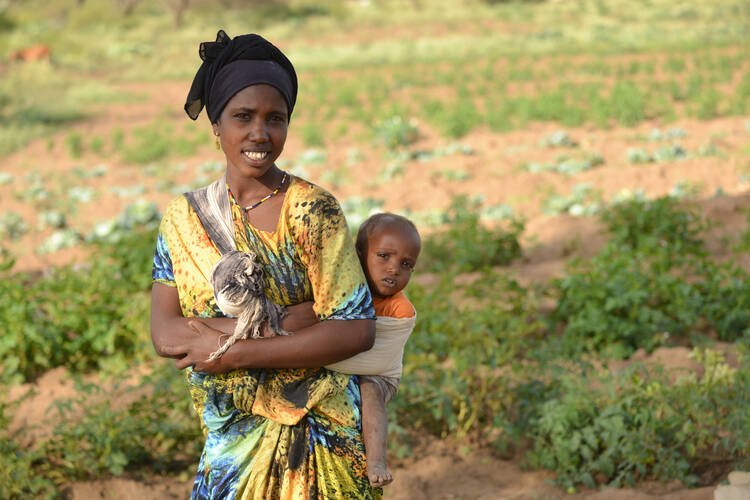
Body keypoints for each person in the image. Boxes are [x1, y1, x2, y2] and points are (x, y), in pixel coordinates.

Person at [150, 30, 380, 499]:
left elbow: (354, 329)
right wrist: (292, 320)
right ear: (216, 126)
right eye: (243, 117)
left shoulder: (313, 211)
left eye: (275, 118)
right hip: (230, 446)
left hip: (320, 438)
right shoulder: (182, 218)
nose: (260, 133)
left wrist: (233, 349)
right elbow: (166, 334)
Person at [341, 213, 421, 487]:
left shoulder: (401, 309)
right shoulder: (343, 289)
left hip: (379, 375)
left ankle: (376, 462)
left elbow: (378, 356)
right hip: (346, 362)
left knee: (369, 392)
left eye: (406, 264)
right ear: (359, 254)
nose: (394, 269)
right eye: (384, 256)